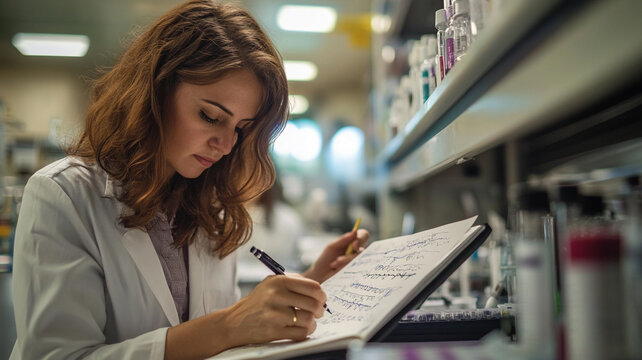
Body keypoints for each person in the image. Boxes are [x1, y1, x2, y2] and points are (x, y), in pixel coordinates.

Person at [9, 1, 369, 359]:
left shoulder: (211, 208)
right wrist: (230, 326)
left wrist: (312, 281)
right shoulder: (63, 196)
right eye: (211, 116)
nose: (227, 145)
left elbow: (209, 336)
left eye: (241, 130)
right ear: (155, 91)